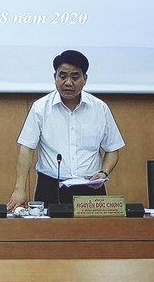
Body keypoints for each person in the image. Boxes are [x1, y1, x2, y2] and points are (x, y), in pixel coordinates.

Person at [7, 50, 125, 210]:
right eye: (62, 76)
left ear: (85, 79)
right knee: (50, 234)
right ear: (54, 77)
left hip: (90, 188)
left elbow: (112, 149)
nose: (68, 82)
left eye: (75, 77)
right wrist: (19, 189)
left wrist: (104, 173)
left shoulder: (99, 109)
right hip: (50, 187)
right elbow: (26, 149)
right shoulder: (40, 108)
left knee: (93, 233)